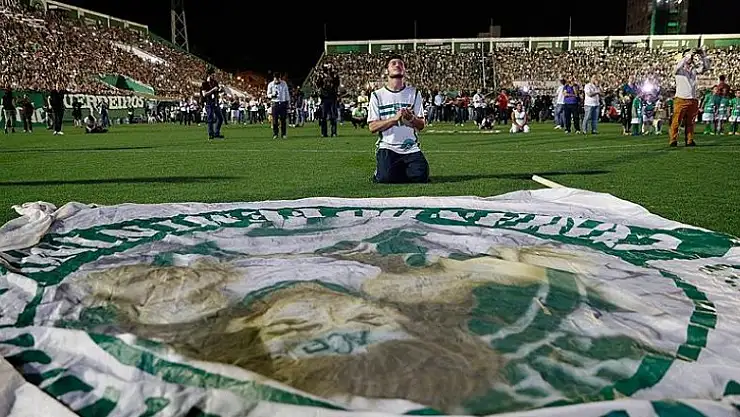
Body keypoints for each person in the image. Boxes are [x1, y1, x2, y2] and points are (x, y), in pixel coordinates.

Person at [367, 54, 428, 184]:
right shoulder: (377, 95)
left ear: (404, 70)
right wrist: (394, 119)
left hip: (410, 146)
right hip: (388, 146)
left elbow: (421, 125)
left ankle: (396, 170)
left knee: (421, 177)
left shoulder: (414, 93)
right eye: (393, 63)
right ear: (386, 70)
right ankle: (386, 170)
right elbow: (372, 127)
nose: (397, 65)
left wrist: (411, 118)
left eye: (400, 63)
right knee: (385, 178)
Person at [669, 48, 711, 147]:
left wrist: (703, 55)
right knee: (676, 122)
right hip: (681, 99)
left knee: (691, 122)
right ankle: (673, 140)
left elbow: (706, 68)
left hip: (692, 99)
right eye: (689, 56)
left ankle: (689, 140)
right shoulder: (679, 69)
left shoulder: (693, 70)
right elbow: (679, 65)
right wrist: (688, 55)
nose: (691, 58)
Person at [201, 68, 224, 140]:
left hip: (215, 102)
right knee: (210, 118)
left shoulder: (215, 82)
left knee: (220, 118)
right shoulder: (204, 83)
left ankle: (216, 133)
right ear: (209, 75)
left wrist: (220, 90)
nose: (214, 76)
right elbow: (204, 94)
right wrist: (213, 90)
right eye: (213, 74)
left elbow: (217, 91)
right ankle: (211, 134)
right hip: (209, 103)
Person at [267, 73, 290, 139]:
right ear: (274, 78)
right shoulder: (270, 84)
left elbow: (287, 93)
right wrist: (272, 95)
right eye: (276, 78)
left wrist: (288, 103)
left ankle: (283, 134)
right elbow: (268, 94)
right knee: (275, 120)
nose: (277, 80)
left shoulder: (284, 83)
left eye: (278, 78)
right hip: (275, 103)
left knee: (283, 120)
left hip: (283, 103)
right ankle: (275, 134)